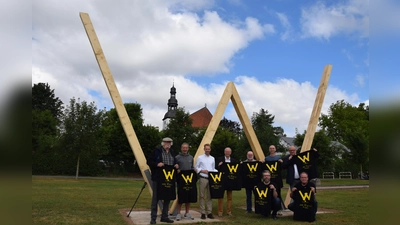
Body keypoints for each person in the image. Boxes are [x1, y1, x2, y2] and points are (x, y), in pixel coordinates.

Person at [147, 137, 179, 224]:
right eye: (166, 142)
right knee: (156, 198)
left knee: (167, 197)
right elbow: (149, 161)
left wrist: (176, 165)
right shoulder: (157, 151)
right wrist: (157, 164)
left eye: (169, 143)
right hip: (158, 178)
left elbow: (175, 162)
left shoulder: (172, 152)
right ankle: (153, 218)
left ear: (171, 144)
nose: (167, 144)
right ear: (163, 143)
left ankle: (165, 216)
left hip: (168, 179)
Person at [175, 143, 196, 221]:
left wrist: (194, 169)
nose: (185, 149)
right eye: (183, 148)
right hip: (181, 180)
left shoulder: (191, 157)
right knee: (180, 196)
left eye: (186, 148)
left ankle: (187, 212)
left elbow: (192, 167)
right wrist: (177, 170)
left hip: (189, 180)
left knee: (188, 196)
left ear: (188, 149)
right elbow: (175, 168)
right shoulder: (177, 157)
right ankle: (178, 213)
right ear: (181, 148)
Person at [195, 143, 216, 220]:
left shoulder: (212, 158)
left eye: (208, 149)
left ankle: (209, 212)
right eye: (206, 149)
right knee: (201, 196)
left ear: (210, 149)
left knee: (210, 196)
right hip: (203, 178)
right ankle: (202, 212)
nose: (207, 150)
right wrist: (202, 170)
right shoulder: (200, 158)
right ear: (204, 149)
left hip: (210, 178)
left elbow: (213, 169)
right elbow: (196, 168)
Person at [216, 147, 238, 217]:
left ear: (230, 153)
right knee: (220, 196)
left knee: (229, 197)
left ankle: (229, 211)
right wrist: (219, 165)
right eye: (226, 152)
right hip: (222, 180)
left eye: (228, 152)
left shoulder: (234, 161)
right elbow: (216, 168)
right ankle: (220, 211)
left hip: (230, 181)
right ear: (224, 152)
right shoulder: (220, 159)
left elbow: (237, 170)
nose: (227, 153)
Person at [264, 145, 284, 210]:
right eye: (270, 148)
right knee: (269, 194)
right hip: (270, 180)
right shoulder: (266, 158)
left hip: (277, 179)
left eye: (273, 148)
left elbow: (281, 168)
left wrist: (281, 163)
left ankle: (279, 208)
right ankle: (270, 207)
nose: (272, 149)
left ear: (275, 149)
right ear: (269, 150)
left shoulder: (278, 158)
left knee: (278, 194)